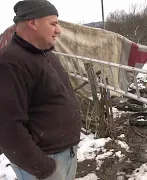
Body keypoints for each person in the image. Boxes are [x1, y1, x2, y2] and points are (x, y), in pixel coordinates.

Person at [0, 0, 82, 179]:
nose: (58, 30)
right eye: (53, 23)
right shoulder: (11, 63)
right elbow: (8, 127)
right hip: (44, 163)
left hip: (65, 154)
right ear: (32, 22)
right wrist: (45, 168)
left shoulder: (45, 53)